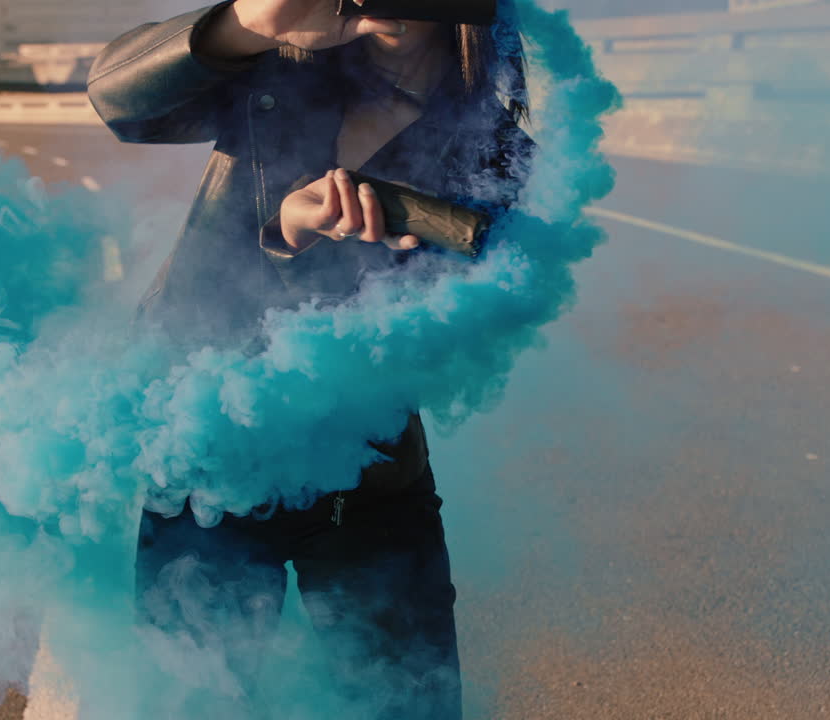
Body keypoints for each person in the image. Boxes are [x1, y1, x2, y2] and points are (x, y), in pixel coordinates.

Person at [86, 0, 534, 717]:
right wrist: (250, 21)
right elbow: (118, 102)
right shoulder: (276, 67)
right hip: (208, 455)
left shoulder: (494, 144)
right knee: (190, 703)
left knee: (406, 704)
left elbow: (455, 321)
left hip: (367, 474)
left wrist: (332, 249)